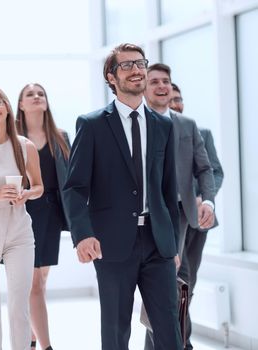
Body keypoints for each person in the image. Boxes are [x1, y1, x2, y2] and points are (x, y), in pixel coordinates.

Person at [64, 43, 183, 350]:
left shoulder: (163, 126)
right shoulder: (91, 125)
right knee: (116, 330)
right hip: (111, 242)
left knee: (169, 328)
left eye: (140, 63)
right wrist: (82, 234)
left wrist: (174, 243)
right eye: (127, 65)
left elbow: (168, 190)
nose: (136, 70)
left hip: (158, 242)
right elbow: (75, 187)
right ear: (111, 77)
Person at [144, 63, 216, 350]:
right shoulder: (137, 123)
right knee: (162, 285)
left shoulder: (187, 125)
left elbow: (206, 168)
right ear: (144, 87)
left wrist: (207, 200)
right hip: (147, 215)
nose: (162, 86)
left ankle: (177, 345)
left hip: (181, 216)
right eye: (155, 82)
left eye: (167, 82)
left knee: (179, 285)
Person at [170, 82, 224, 350]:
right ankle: (182, 343)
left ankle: (166, 341)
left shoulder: (200, 132)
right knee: (176, 284)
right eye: (171, 99)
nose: (176, 103)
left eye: (179, 99)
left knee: (186, 285)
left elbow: (214, 171)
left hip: (199, 221)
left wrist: (207, 198)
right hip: (171, 219)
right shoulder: (157, 134)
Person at [16, 83, 70, 350]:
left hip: (51, 213)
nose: (37, 97)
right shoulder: (11, 137)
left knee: (41, 280)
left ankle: (32, 337)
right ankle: (47, 346)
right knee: (34, 283)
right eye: (30, 94)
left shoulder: (60, 136)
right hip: (21, 212)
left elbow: (70, 179)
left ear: (46, 103)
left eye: (41, 94)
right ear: (21, 105)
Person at [0, 87, 43, 350]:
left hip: (19, 231)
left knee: (18, 305)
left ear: (8, 106)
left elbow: (38, 186)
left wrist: (26, 194)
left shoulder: (25, 146)